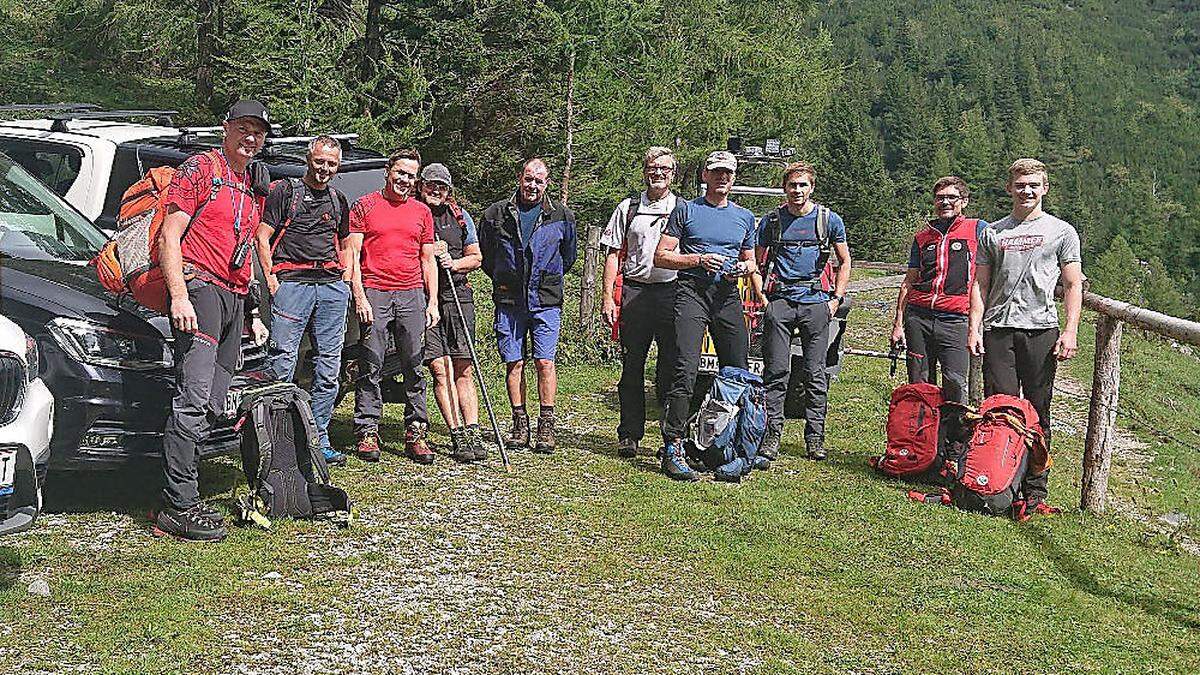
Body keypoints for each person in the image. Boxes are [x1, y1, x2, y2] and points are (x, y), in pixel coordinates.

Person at [155, 99, 271, 541]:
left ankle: (188, 489)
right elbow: (170, 235)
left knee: (214, 400)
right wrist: (179, 296)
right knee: (193, 397)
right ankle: (176, 506)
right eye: (244, 128)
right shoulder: (202, 168)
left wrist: (254, 313)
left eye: (258, 132)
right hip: (199, 290)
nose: (251, 138)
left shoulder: (249, 184)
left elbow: (247, 256)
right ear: (226, 128)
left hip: (234, 301)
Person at [969, 158, 1084, 515]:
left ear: (1045, 188)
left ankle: (1035, 492)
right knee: (999, 408)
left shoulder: (1062, 231)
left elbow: (1071, 283)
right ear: (1010, 189)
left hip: (1041, 329)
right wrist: (975, 327)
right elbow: (980, 283)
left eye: (1034, 184)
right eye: (1020, 185)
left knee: (1039, 411)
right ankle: (1001, 481)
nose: (1027, 191)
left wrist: (1070, 330)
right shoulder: (994, 232)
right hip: (999, 329)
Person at [653, 150, 758, 481]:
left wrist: (744, 268)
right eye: (716, 172)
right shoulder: (687, 210)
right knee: (684, 368)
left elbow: (752, 261)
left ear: (734, 177)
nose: (722, 178)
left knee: (737, 370)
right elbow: (662, 256)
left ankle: (729, 447)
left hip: (726, 294)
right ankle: (673, 446)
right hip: (691, 293)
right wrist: (698, 260)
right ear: (705, 176)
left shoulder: (745, 217)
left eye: (728, 173)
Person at [256, 135, 353, 467]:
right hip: (292, 284)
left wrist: (347, 279)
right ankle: (277, 438)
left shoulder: (340, 200)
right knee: (282, 360)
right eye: (320, 161)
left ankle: (319, 438)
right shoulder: (285, 191)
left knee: (329, 366)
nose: (325, 168)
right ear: (308, 159)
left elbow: (345, 243)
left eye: (332, 163)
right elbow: (263, 235)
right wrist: (270, 278)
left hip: (330, 287)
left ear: (338, 166)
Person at [752, 162, 851, 462]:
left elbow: (844, 261)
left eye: (803, 185)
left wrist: (835, 299)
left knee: (814, 373)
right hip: (779, 303)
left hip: (816, 304)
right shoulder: (771, 222)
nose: (797, 191)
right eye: (792, 185)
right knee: (776, 372)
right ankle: (771, 436)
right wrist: (763, 300)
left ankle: (815, 438)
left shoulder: (828, 220)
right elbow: (755, 264)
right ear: (785, 188)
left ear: (812, 188)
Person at [347, 148, 440, 464]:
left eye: (411, 176)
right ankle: (367, 430)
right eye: (400, 172)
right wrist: (359, 296)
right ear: (388, 171)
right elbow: (353, 257)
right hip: (375, 291)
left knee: (414, 365)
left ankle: (416, 432)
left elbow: (428, 260)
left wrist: (433, 301)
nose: (404, 180)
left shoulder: (421, 212)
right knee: (370, 364)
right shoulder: (364, 206)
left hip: (412, 293)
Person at [478, 158, 577, 454]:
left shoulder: (562, 215)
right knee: (514, 362)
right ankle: (519, 422)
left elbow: (568, 257)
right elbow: (487, 256)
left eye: (539, 180)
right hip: (509, 300)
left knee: (544, 361)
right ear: (519, 178)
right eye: (528, 179)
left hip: (545, 299)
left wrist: (545, 278)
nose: (533, 185)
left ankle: (546, 423)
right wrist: (506, 278)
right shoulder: (497, 214)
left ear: (546, 184)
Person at [600, 147, 680, 458]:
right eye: (652, 168)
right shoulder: (628, 208)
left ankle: (670, 438)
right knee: (632, 367)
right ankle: (629, 434)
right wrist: (608, 297)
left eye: (664, 168)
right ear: (644, 171)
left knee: (672, 369)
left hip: (672, 293)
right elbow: (611, 253)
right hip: (635, 292)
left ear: (673, 174)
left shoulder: (683, 209)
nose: (658, 173)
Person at [889, 176, 986, 405]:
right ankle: (922, 437)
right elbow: (909, 281)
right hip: (919, 318)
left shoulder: (978, 230)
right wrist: (898, 324)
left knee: (954, 384)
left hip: (955, 320)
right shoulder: (923, 237)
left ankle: (953, 440)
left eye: (952, 197)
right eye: (940, 198)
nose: (945, 202)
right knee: (919, 383)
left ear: (964, 201)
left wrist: (975, 326)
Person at [417, 163, 487, 463]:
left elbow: (476, 257)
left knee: (463, 366)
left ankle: (473, 429)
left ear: (449, 190)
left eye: (442, 186)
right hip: (422, 299)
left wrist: (453, 263)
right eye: (431, 184)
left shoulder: (460, 216)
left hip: (458, 294)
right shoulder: (411, 212)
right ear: (421, 186)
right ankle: (456, 432)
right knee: (438, 367)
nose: (436, 190)